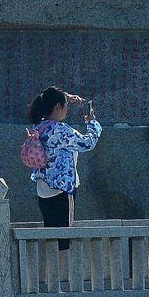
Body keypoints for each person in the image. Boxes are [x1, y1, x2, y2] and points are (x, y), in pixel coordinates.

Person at [26, 86, 101, 251]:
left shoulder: (39, 127)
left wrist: (67, 97)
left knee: (51, 237)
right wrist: (92, 123)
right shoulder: (61, 130)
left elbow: (48, 97)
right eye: (65, 105)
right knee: (64, 240)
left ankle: (52, 275)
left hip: (43, 188)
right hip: (61, 189)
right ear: (58, 107)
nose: (67, 108)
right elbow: (87, 143)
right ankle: (63, 275)